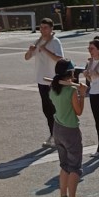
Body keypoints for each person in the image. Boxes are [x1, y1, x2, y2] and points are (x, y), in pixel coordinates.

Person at [49, 58, 88, 197]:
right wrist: (82, 95)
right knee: (75, 167)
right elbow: (78, 111)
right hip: (70, 130)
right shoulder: (71, 90)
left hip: (57, 128)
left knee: (64, 164)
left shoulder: (53, 88)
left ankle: (63, 196)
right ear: (70, 73)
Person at [24, 18, 65, 148]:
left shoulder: (55, 42)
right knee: (46, 109)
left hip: (53, 80)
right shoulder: (39, 41)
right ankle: (53, 134)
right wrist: (31, 50)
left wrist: (45, 49)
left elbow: (60, 58)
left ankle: (60, 136)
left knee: (55, 109)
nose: (42, 30)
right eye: (41, 27)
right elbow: (27, 58)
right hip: (41, 80)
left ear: (51, 28)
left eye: (45, 28)